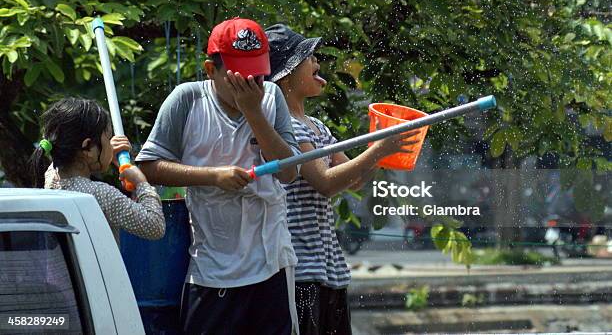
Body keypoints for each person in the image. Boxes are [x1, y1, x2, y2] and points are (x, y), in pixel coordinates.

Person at [136, 18, 301, 335]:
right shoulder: (187, 100)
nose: (251, 83)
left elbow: (289, 172)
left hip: (271, 262)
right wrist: (212, 176)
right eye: (239, 78)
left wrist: (253, 112)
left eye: (258, 74)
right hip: (213, 266)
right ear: (211, 70)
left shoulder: (270, 98)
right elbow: (148, 168)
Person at [265, 24, 419, 335]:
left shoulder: (317, 126)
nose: (317, 63)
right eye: (308, 58)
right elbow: (325, 183)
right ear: (287, 75)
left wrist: (383, 151)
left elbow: (354, 181)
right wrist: (377, 149)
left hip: (330, 268)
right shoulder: (287, 128)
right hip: (302, 270)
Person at [30, 97, 165, 242]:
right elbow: (155, 226)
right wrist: (141, 183)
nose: (110, 144)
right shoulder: (100, 194)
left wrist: (103, 151)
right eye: (108, 137)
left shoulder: (51, 176)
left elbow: (77, 162)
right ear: (87, 147)